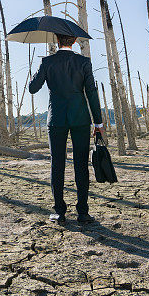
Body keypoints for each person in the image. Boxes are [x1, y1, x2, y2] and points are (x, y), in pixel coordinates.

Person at [28, 33, 104, 224]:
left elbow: (32, 88)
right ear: (75, 41)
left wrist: (40, 69)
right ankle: (83, 213)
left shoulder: (47, 62)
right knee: (81, 165)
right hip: (80, 119)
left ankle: (59, 212)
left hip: (56, 120)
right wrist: (98, 123)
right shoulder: (84, 62)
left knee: (57, 165)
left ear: (56, 40)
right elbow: (92, 92)